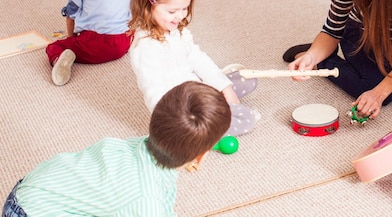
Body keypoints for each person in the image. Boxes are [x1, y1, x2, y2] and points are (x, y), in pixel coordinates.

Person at [2, 81, 231, 217]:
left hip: (32, 191)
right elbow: (151, 202)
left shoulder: (136, 147)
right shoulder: (145, 198)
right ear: (200, 158)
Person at [128, 0, 259, 136]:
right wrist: (181, 123)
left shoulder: (176, 31)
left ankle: (221, 102)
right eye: (173, 11)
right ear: (149, 5)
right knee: (246, 118)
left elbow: (197, 58)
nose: (181, 15)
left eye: (184, 8)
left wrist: (225, 87)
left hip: (195, 88)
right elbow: (154, 93)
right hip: (181, 109)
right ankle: (211, 127)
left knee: (246, 78)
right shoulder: (144, 47)